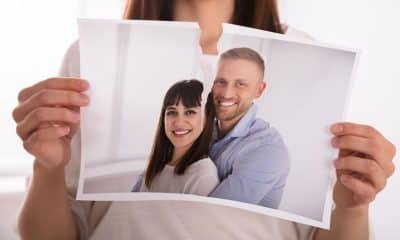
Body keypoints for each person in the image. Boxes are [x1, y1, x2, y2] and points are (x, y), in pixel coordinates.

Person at [13, 0, 396, 240]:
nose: (227, 94)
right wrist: (47, 166)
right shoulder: (91, 55)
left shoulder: (313, 61)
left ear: (261, 89)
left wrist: (353, 207)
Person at [205, 47, 290, 209]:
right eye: (221, 82)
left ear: (259, 90)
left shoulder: (267, 149)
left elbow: (212, 212)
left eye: (240, 84)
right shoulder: (205, 130)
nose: (227, 93)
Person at [132, 79, 219, 196]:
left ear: (207, 118)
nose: (179, 122)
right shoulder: (156, 167)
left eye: (190, 112)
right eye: (172, 112)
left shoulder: (203, 176)